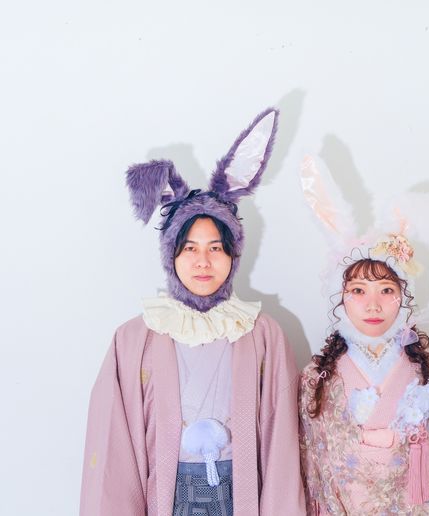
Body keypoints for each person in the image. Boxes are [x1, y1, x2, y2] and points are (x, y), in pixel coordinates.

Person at [80, 109, 306, 516]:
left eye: (215, 248)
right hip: (165, 497)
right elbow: (113, 449)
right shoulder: (133, 339)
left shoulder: (262, 334)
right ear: (170, 255)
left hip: (242, 497)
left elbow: (283, 446)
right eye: (189, 249)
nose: (203, 262)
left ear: (233, 255)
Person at [298, 155, 429, 515]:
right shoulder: (316, 379)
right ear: (339, 297)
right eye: (358, 291)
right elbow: (312, 471)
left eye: (386, 290)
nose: (373, 305)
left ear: (404, 297)